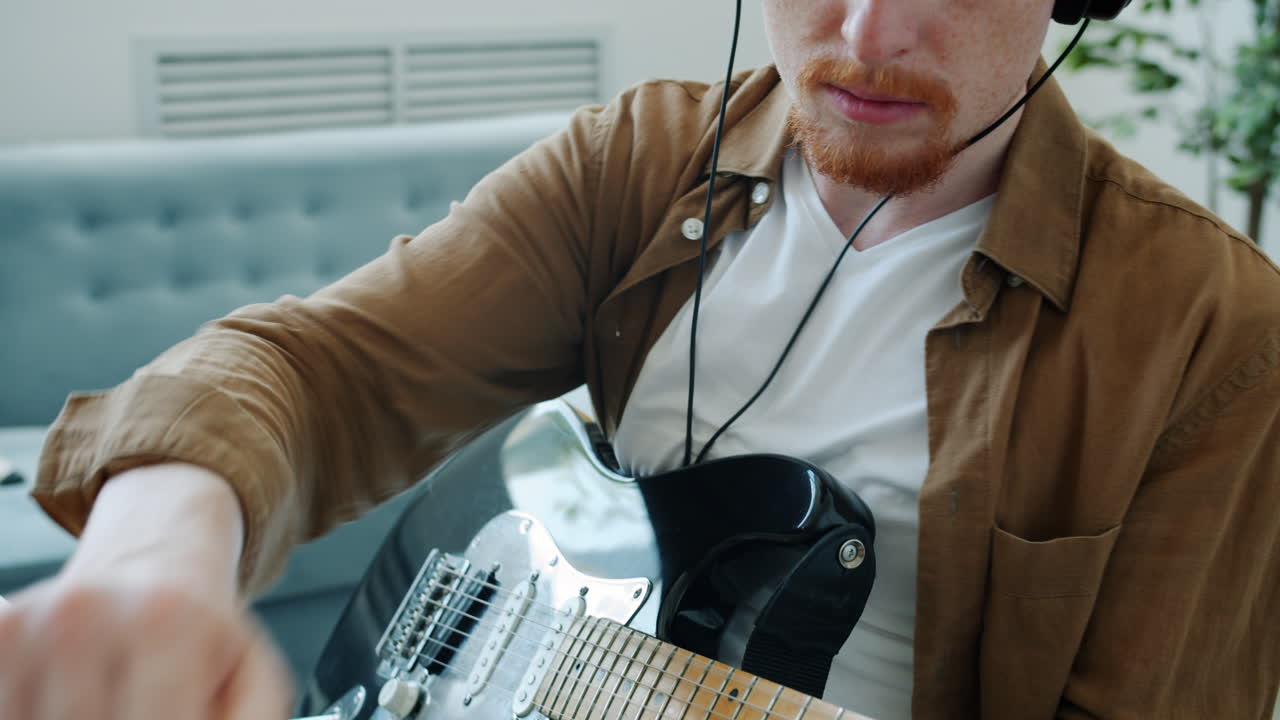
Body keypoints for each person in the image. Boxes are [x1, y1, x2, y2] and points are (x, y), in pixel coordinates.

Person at [2, 0, 1278, 717]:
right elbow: (318, 367)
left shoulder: (1207, 329)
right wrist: (151, 562)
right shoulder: (637, 159)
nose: (870, 29)